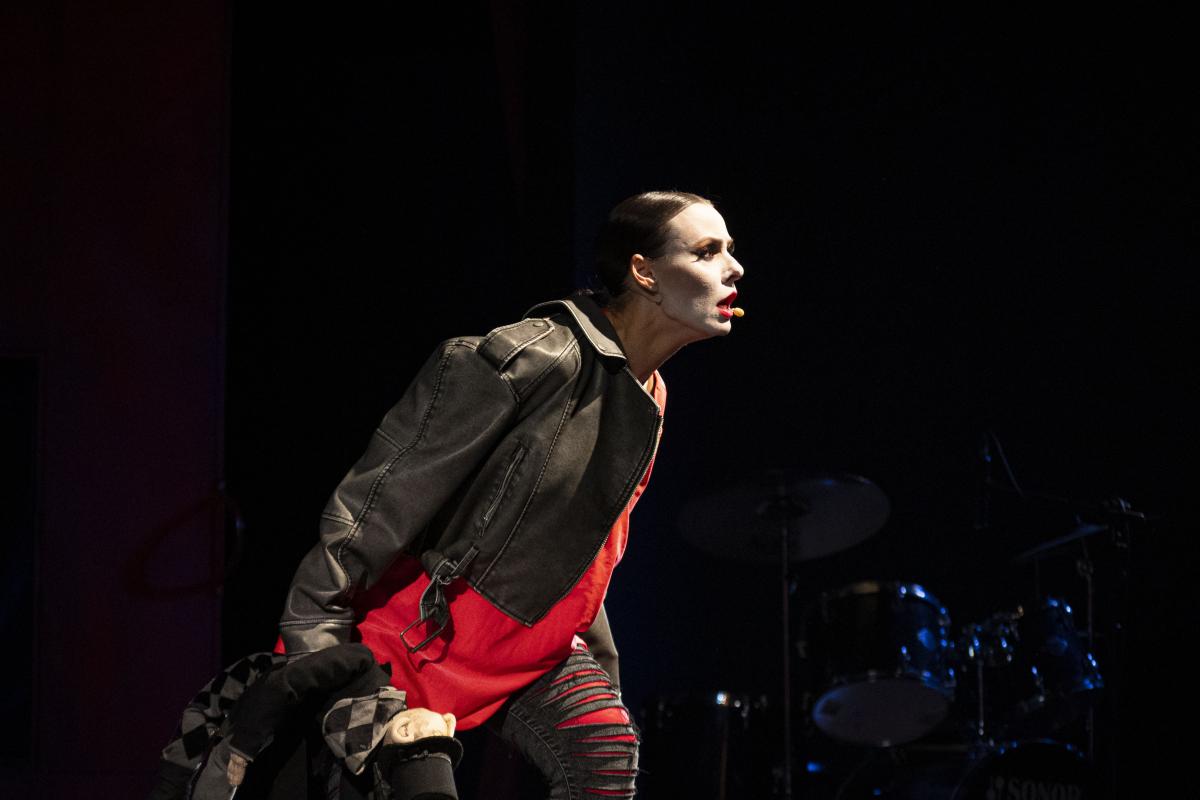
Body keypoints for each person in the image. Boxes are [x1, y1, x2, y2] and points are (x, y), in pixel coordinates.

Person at [276, 190, 745, 799]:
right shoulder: (528, 359)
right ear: (643, 272)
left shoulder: (650, 392)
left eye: (729, 250)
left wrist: (604, 675)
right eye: (707, 251)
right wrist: (316, 646)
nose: (734, 268)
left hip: (528, 645)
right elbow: (374, 506)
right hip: (417, 639)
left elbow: (590, 548)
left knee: (605, 753)